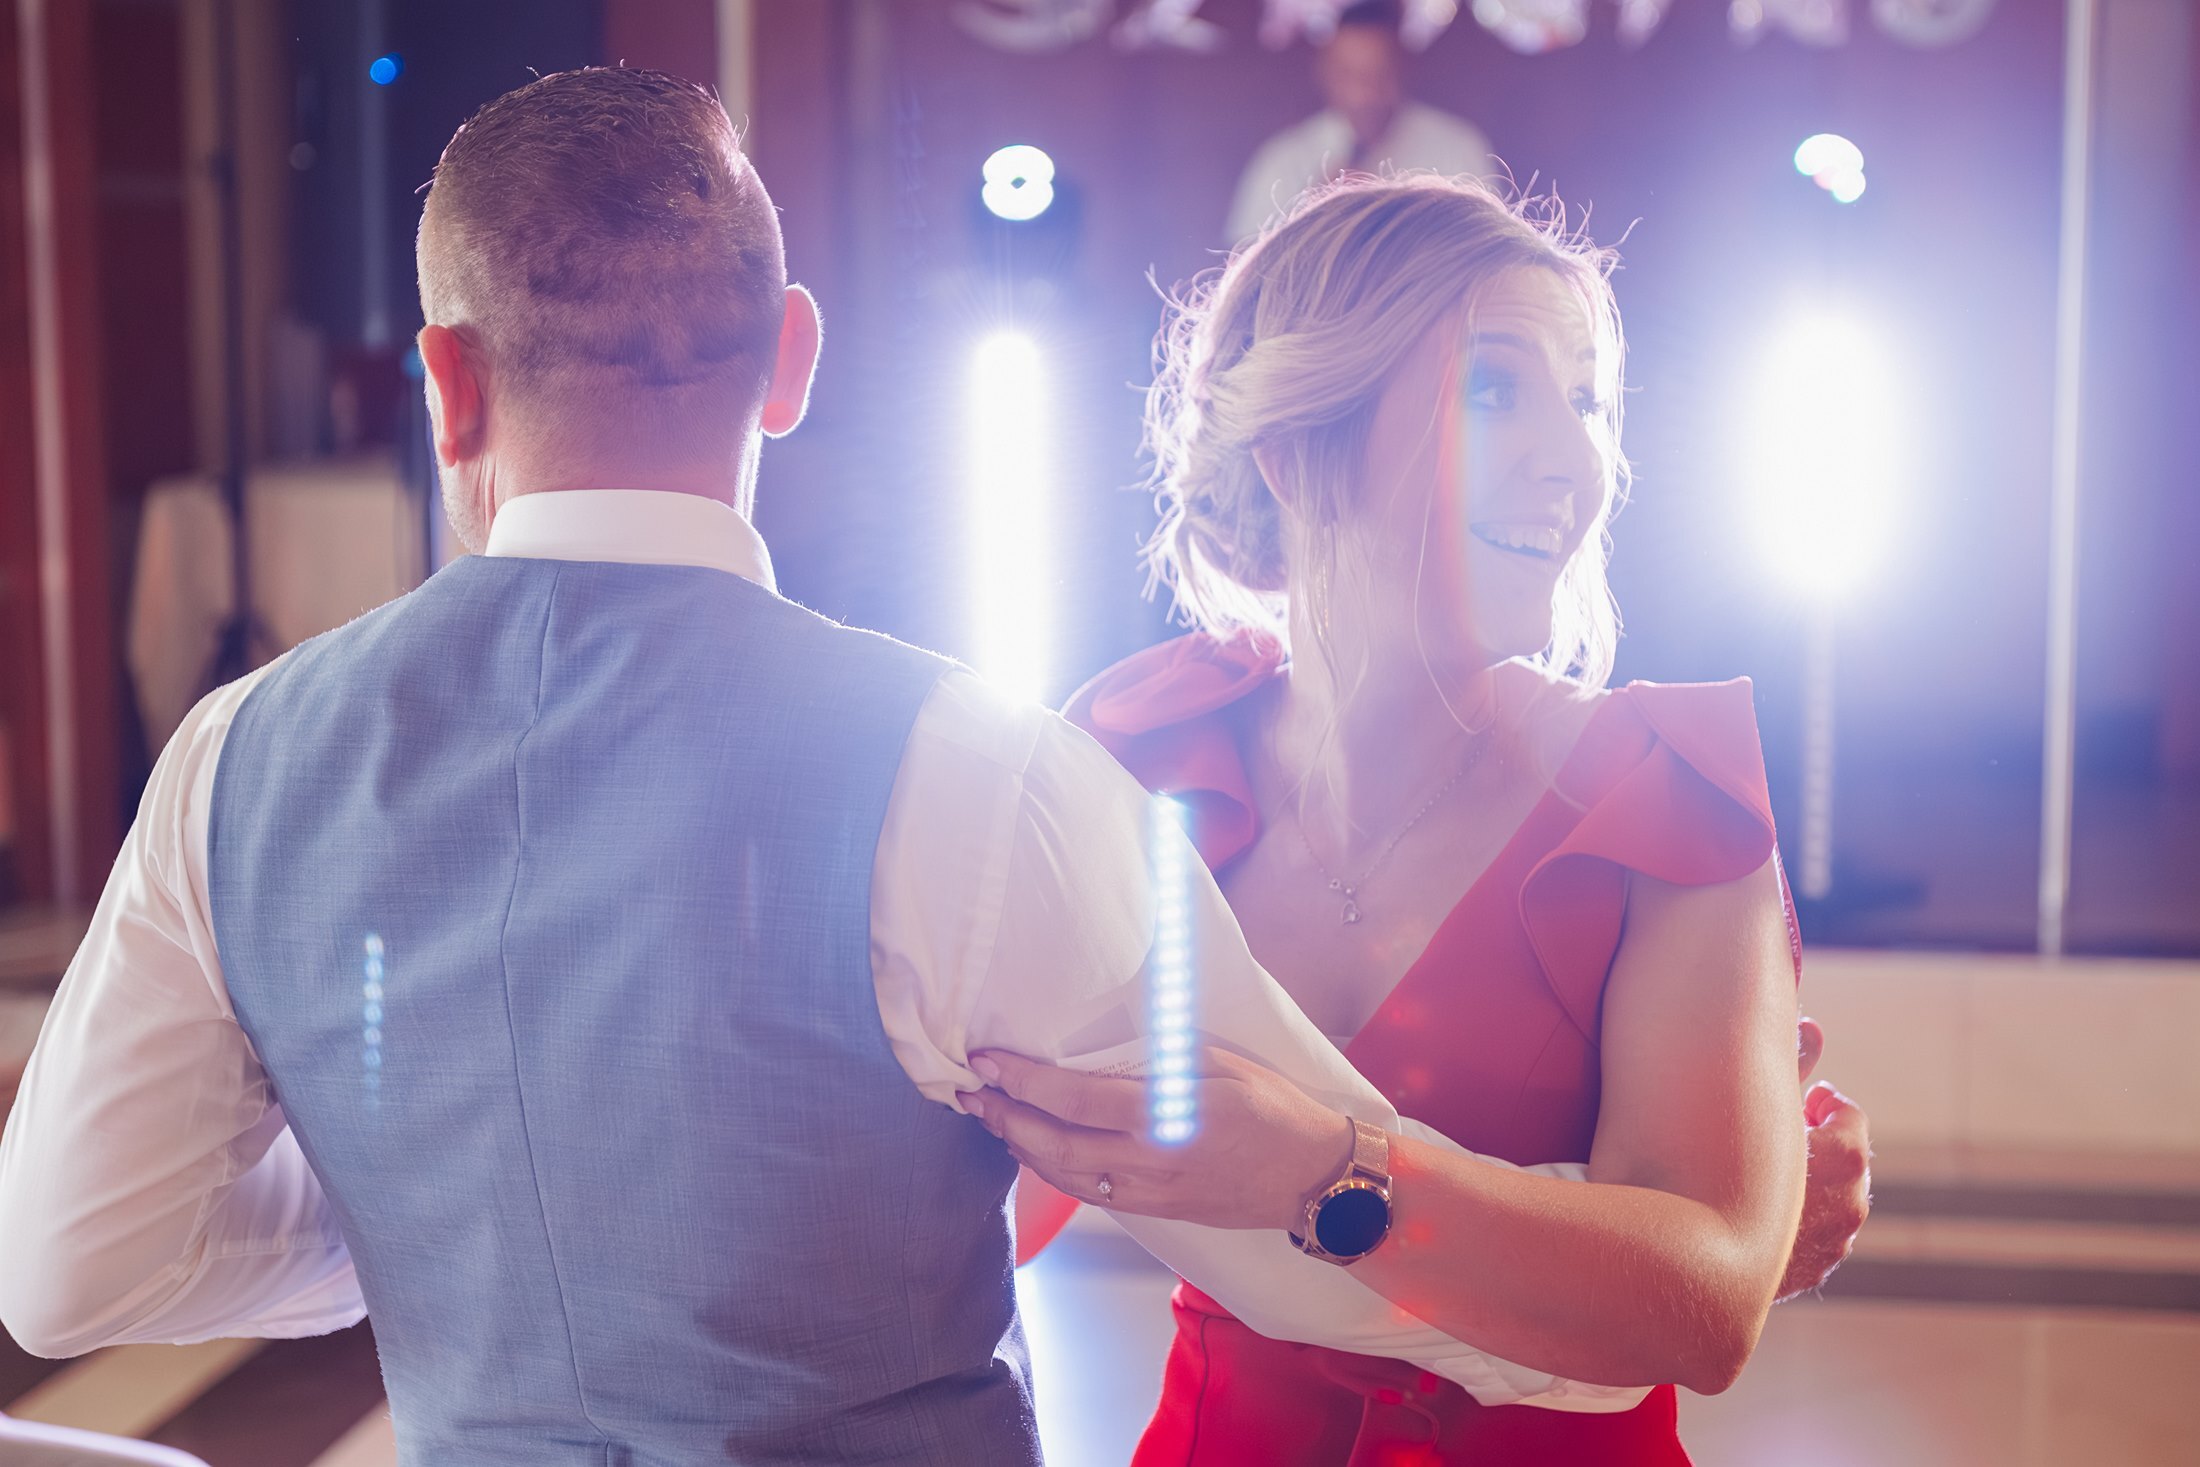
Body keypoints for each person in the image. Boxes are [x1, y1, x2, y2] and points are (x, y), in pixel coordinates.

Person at [0, 71, 1725, 1464]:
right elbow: (1335, 1264)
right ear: (792, 362)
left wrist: (449, 1184)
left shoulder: (232, 759)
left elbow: (72, 1265)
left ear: (446, 384)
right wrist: (1691, 1259)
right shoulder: (973, 769)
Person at [965, 175, 1874, 1463]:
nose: (1576, 461)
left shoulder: (1661, 801)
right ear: (1298, 452)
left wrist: (1322, 1173)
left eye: (1584, 401)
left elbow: (1711, 1304)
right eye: (1494, 389)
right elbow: (989, 1189)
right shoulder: (1144, 761)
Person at [1227, 0, 1496, 243]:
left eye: (1380, 73)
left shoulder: (1457, 147)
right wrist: (1310, 221)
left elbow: (1490, 248)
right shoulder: (1283, 161)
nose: (1365, 93)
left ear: (1404, 68)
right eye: (1349, 75)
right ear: (1323, 72)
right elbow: (1245, 263)